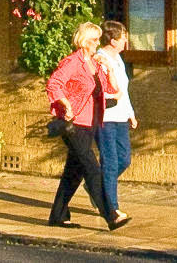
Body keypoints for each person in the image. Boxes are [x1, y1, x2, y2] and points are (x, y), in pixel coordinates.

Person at [45, 21, 131, 231]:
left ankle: (58, 215)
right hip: (74, 124)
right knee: (92, 169)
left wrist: (109, 68)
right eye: (93, 39)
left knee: (73, 173)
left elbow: (112, 89)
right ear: (83, 41)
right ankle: (110, 215)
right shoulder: (73, 62)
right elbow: (54, 84)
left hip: (91, 122)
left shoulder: (94, 62)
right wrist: (64, 103)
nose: (96, 43)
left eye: (98, 39)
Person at [96, 20, 137, 220]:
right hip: (105, 117)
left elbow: (124, 90)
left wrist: (130, 112)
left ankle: (97, 186)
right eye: (122, 39)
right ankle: (111, 208)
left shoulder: (119, 59)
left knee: (124, 159)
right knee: (110, 162)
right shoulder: (100, 59)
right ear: (112, 41)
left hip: (120, 116)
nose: (125, 42)